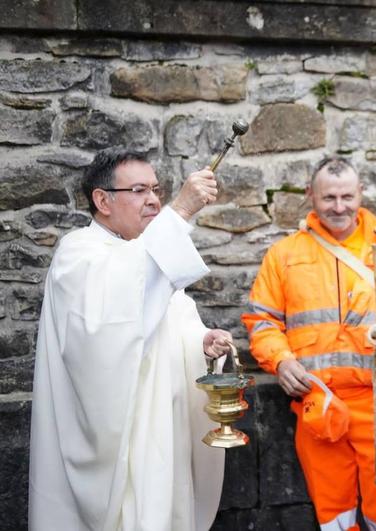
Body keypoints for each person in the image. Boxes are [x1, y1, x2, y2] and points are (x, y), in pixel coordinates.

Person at [29, 149, 232, 531]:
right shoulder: (79, 253)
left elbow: (168, 324)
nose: (154, 199)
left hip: (162, 433)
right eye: (139, 190)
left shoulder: (146, 257)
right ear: (102, 200)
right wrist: (182, 211)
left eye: (156, 189)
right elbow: (107, 330)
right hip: (120, 437)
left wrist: (200, 343)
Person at [241, 157, 376, 530]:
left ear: (360, 194)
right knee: (333, 515)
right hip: (318, 403)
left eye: (347, 196)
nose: (339, 207)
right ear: (310, 196)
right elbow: (262, 321)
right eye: (328, 197)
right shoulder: (283, 256)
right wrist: (281, 362)